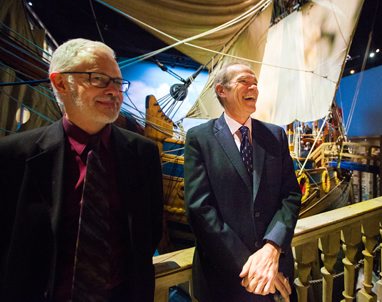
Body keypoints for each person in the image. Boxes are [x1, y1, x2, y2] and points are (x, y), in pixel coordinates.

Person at [0, 38, 163, 301]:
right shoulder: (13, 156)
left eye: (118, 82)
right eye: (99, 79)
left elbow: (150, 231)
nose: (114, 91)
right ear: (61, 83)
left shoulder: (142, 153)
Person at [184, 62, 302, 301]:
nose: (254, 88)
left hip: (276, 269)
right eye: (245, 82)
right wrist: (253, 268)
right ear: (221, 90)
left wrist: (272, 248)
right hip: (226, 278)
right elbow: (200, 209)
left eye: (256, 83)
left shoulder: (275, 135)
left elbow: (290, 195)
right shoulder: (199, 138)